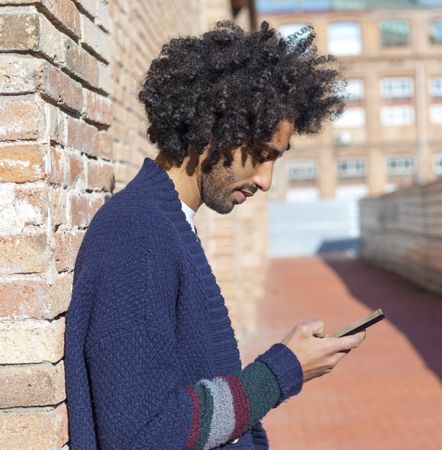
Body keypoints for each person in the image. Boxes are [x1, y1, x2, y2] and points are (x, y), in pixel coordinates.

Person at [64, 21, 365, 449]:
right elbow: (141, 433)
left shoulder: (165, 224)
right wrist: (280, 371)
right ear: (212, 130)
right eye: (261, 156)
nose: (266, 180)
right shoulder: (137, 236)